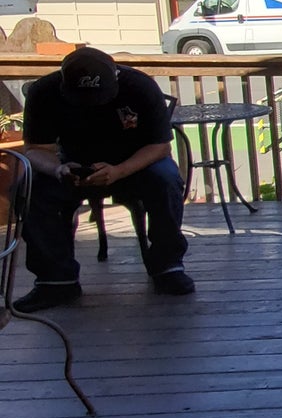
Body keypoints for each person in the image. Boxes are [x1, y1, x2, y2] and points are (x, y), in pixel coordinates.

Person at [13, 45, 194, 312]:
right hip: (71, 167)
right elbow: (35, 150)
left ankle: (168, 267)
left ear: (116, 79)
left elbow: (160, 147)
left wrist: (119, 170)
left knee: (166, 178)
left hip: (134, 164)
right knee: (31, 188)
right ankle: (56, 281)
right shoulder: (44, 91)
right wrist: (58, 170)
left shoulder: (140, 86)